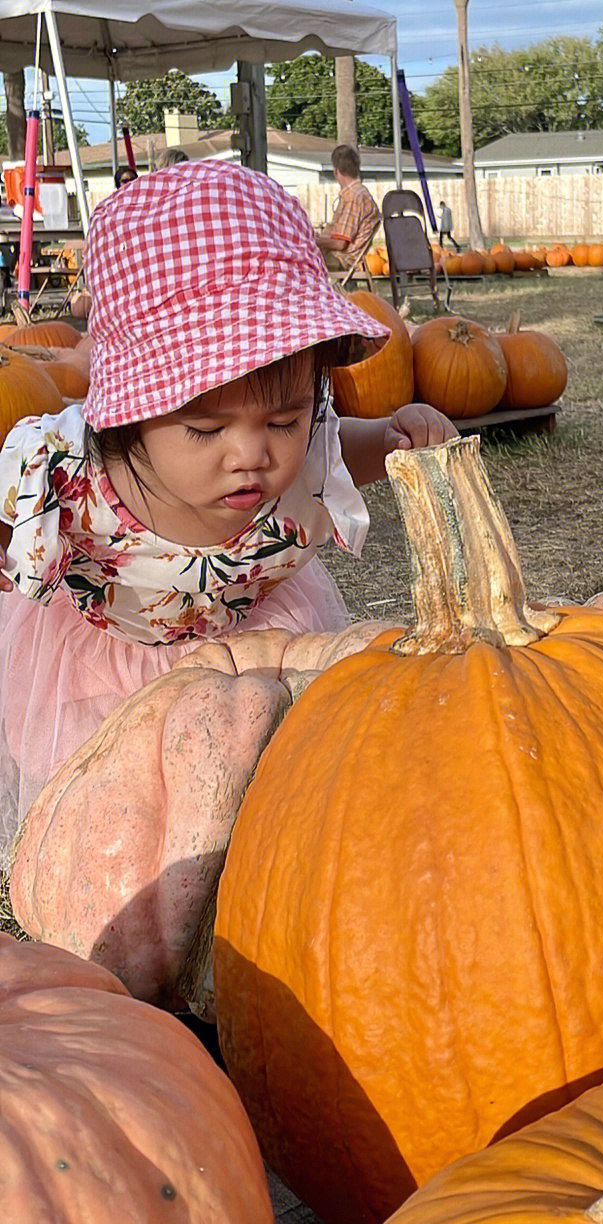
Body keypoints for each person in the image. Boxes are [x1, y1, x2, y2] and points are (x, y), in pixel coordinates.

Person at [0, 159, 456, 849]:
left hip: (252, 641)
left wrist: (392, 439)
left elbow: (336, 450)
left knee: (268, 801)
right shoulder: (65, 471)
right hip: (107, 661)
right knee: (113, 823)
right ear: (129, 415)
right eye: (206, 429)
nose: (252, 454)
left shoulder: (306, 446)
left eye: (283, 420)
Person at [315, 144, 381, 271]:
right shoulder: (357, 193)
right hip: (338, 255)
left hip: (341, 259)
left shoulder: (353, 198)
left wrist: (313, 241)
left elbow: (340, 244)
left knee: (296, 259)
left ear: (336, 171)